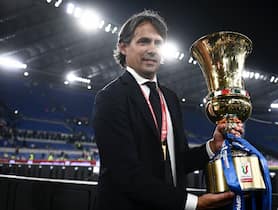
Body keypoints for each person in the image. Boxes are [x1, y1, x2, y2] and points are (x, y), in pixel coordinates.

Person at [93, 10, 244, 210]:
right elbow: (126, 173)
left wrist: (212, 146)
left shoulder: (169, 98)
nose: (153, 49)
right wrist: (193, 203)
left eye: (158, 43)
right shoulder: (110, 97)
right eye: (144, 41)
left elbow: (178, 161)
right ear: (123, 47)